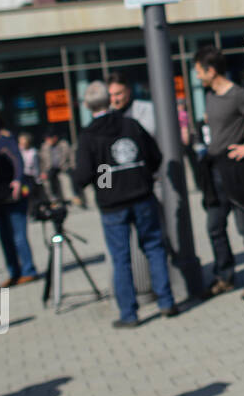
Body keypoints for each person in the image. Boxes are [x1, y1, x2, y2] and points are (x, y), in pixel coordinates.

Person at [71, 81, 177, 327]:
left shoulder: (89, 136)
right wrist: (140, 176)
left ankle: (129, 314)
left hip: (112, 203)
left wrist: (96, 176)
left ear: (87, 106)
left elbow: (84, 175)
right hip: (141, 196)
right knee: (154, 248)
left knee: (121, 259)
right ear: (109, 101)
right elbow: (155, 156)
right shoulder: (130, 125)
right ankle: (166, 302)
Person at [193, 47, 244, 298]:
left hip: (236, 170)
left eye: (199, 72)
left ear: (211, 71)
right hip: (215, 170)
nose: (197, 77)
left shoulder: (237, 95)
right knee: (214, 226)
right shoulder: (210, 95)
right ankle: (225, 276)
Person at [0, 108, 38, 287]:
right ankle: (14, 272)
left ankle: (28, 270)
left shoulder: (5, 139)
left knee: (19, 234)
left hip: (13, 195)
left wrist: (17, 180)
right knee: (4, 236)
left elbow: (18, 160)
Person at [38, 133, 70, 203]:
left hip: (62, 168)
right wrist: (42, 172)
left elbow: (70, 157)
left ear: (55, 138)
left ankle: (67, 199)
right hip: (49, 169)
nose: (47, 140)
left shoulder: (63, 144)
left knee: (65, 179)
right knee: (47, 182)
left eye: (49, 138)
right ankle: (53, 199)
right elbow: (41, 161)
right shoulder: (44, 147)